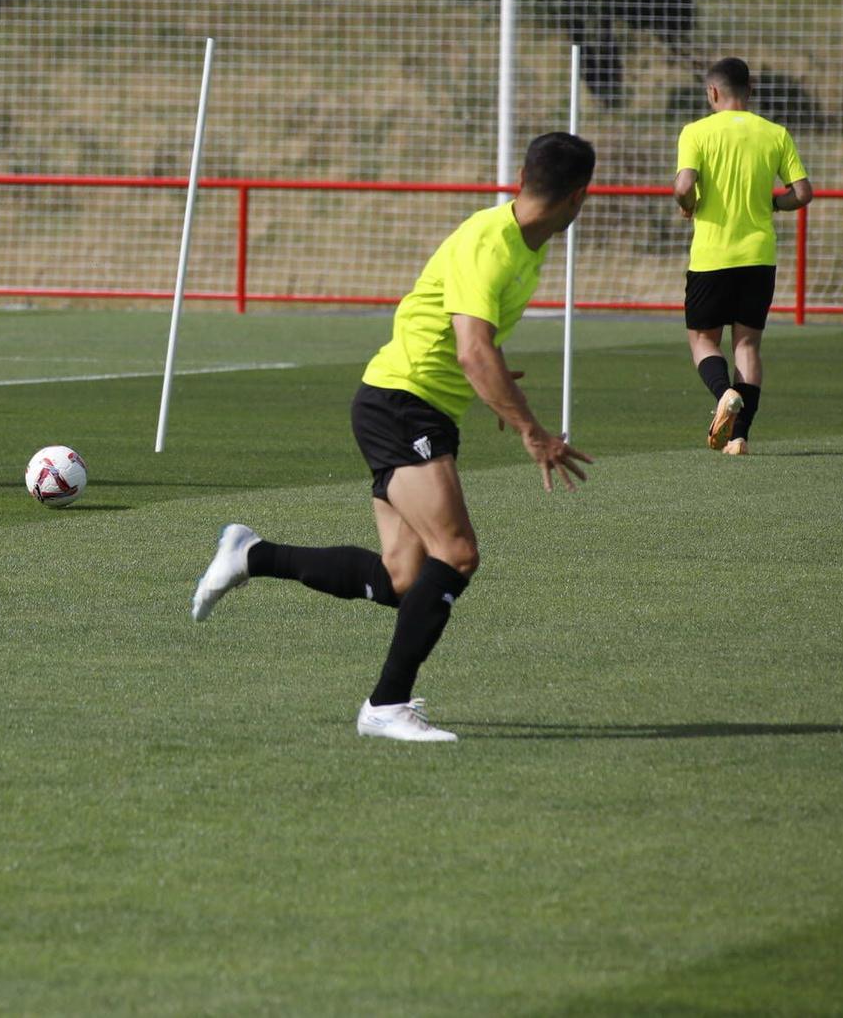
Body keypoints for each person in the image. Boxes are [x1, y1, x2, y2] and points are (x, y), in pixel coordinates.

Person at [190, 132, 598, 743]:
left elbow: (473, 340)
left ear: (523, 177)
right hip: (402, 405)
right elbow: (471, 350)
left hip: (412, 405)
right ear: (578, 196)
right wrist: (531, 432)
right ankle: (386, 706)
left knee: (404, 577)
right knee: (456, 554)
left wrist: (494, 384)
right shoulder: (492, 245)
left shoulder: (522, 245)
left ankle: (251, 555)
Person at [672, 57, 811, 456]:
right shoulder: (774, 133)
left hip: (712, 256)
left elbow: (684, 184)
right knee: (747, 347)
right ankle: (738, 437)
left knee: (702, 340)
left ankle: (723, 393)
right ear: (750, 92)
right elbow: (802, 193)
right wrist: (774, 207)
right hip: (759, 255)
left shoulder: (697, 131)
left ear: (712, 92)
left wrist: (689, 201)